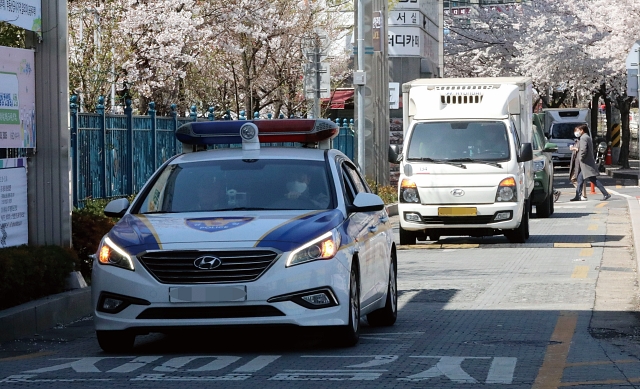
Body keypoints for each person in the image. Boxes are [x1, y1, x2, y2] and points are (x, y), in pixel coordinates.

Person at [570, 124, 611, 201]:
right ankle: (577, 196)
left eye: (577, 130)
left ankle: (606, 194)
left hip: (586, 164)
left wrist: (581, 158)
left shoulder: (583, 138)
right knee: (580, 179)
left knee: (593, 179)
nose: (576, 132)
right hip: (586, 163)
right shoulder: (587, 137)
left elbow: (583, 150)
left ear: (582, 130)